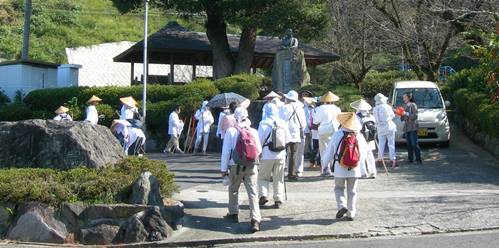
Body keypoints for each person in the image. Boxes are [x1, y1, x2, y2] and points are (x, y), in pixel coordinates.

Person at [221, 107, 262, 232]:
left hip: (236, 166)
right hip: (251, 165)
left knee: (233, 189)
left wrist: (223, 169)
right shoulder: (253, 131)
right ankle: (255, 220)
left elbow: (226, 152)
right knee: (253, 192)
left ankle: (233, 214)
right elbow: (259, 150)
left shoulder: (231, 131)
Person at [322, 112, 368, 221]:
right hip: (354, 168)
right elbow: (363, 153)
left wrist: (325, 164)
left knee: (338, 188)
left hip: (340, 167)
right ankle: (351, 212)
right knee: (352, 191)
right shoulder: (359, 136)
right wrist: (361, 168)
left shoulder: (337, 134)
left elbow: (329, 152)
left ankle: (342, 206)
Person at [257, 102, 288, 209]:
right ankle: (278, 199)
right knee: (278, 178)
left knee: (263, 177)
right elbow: (287, 140)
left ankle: (263, 195)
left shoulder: (263, 123)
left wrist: (258, 154)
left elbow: (259, 141)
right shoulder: (283, 123)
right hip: (280, 154)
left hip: (266, 154)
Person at [313, 91, 341, 177]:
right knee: (333, 149)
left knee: (323, 150)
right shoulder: (337, 109)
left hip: (323, 130)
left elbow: (315, 121)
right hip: (334, 130)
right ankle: (334, 168)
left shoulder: (321, 108)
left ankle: (325, 169)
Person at [279, 90, 306, 181]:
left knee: (282, 152)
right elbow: (303, 124)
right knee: (293, 153)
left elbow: (280, 120)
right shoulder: (300, 109)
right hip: (295, 133)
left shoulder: (284, 107)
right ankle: (292, 173)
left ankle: (279, 172)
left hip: (284, 132)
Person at [351, 99, 377, 178]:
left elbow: (356, 128)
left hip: (361, 137)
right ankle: (373, 172)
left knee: (361, 155)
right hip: (371, 138)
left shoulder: (356, 117)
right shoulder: (371, 116)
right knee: (370, 155)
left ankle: (363, 172)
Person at [373, 93, 397, 168]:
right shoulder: (387, 106)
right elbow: (393, 115)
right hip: (388, 125)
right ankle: (392, 159)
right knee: (391, 143)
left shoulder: (375, 108)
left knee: (381, 143)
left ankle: (380, 159)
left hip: (380, 127)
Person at [400, 92, 422, 164]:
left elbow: (415, 115)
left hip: (413, 127)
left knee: (414, 143)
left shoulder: (413, 105)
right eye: (403, 97)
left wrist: (406, 113)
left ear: (409, 97)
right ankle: (410, 159)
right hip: (407, 127)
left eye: (405, 97)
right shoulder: (405, 105)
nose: (403, 99)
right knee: (408, 144)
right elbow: (402, 118)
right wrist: (400, 114)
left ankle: (418, 159)